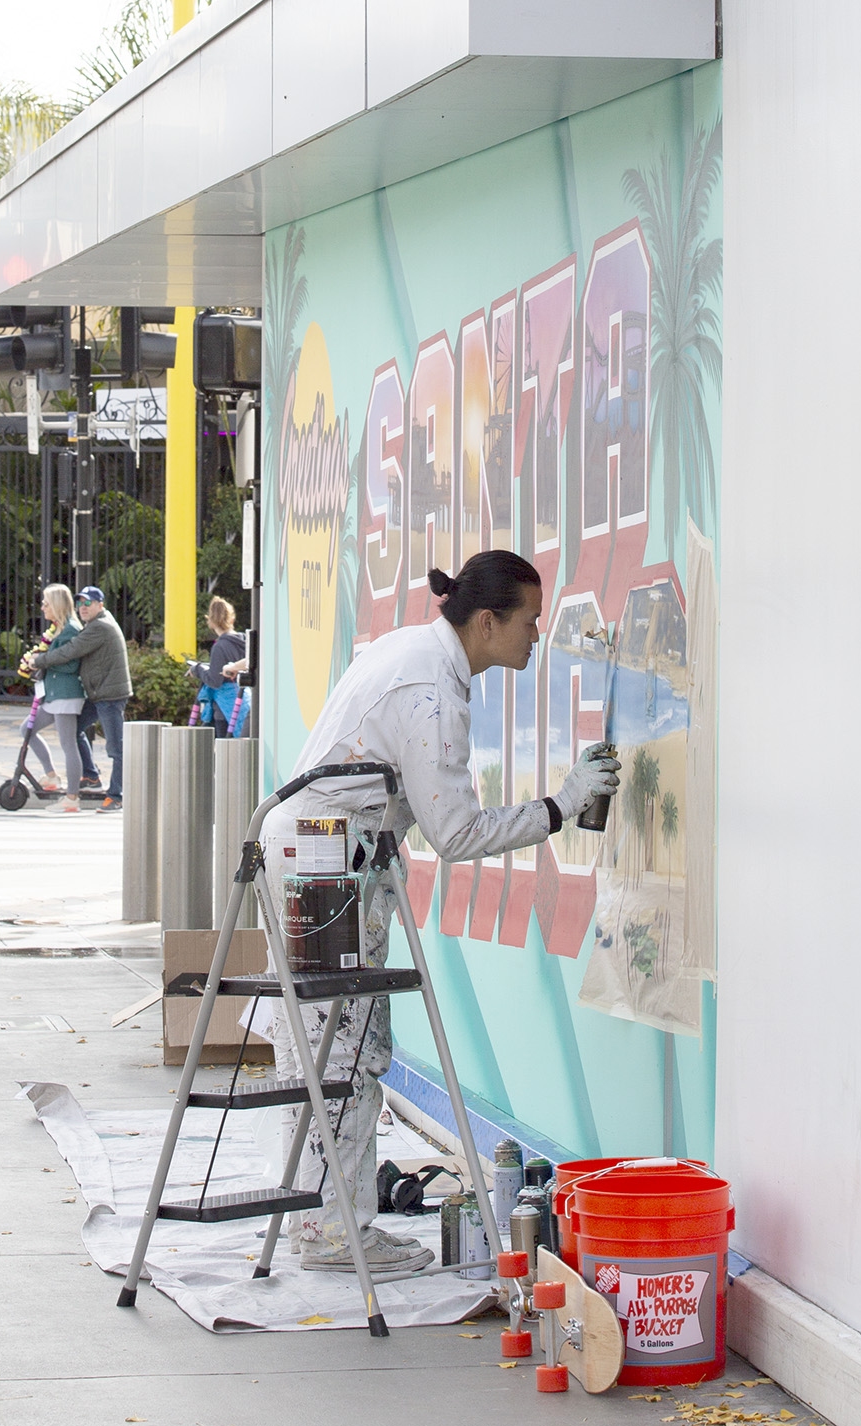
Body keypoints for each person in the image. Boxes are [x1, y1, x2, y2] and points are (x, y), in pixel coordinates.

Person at [263, 549, 619, 1281]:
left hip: (317, 852)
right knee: (346, 1053)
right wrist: (563, 805)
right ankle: (334, 1229)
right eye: (528, 620)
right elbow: (455, 833)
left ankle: (321, 1218)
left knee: (326, 1049)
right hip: (325, 861)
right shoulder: (432, 686)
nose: (536, 634)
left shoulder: (418, 654)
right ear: (487, 620)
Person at [31, 585, 132, 811]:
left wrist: (39, 660)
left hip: (110, 695)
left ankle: (116, 796)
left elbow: (70, 651)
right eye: (80, 603)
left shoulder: (100, 627)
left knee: (116, 748)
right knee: (75, 730)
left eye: (88, 603)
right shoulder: (94, 624)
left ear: (100, 605)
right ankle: (91, 777)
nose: (83, 608)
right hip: (98, 693)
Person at [20, 584, 92, 813]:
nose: (42, 608)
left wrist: (42, 661)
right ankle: (51, 775)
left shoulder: (70, 629)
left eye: (46, 604)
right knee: (27, 730)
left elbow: (71, 664)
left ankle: (72, 798)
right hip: (54, 693)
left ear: (57, 605)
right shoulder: (58, 629)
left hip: (65, 694)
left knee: (68, 744)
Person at [196, 594, 246, 735]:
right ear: (232, 619)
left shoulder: (219, 646)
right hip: (245, 701)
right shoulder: (246, 641)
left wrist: (198, 669)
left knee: (224, 747)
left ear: (211, 622)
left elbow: (214, 680)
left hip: (224, 708)